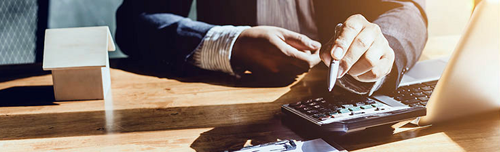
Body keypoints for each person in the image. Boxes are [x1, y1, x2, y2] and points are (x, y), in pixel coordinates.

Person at [115, 0, 427, 94]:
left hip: (337, 99)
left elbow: (407, 9)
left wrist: (383, 48)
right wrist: (232, 43)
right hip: (231, 97)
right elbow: (134, 22)